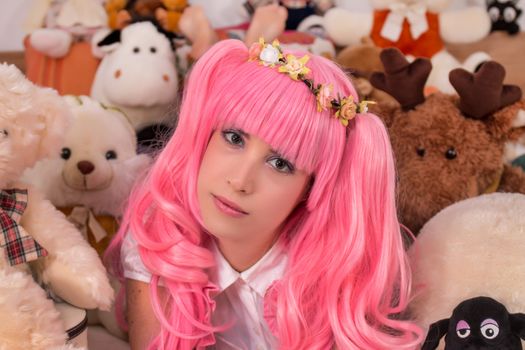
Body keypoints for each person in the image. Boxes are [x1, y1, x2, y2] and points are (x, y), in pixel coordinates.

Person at [106, 38, 423, 349]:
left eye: (280, 163)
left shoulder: (338, 275)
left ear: (310, 188)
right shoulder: (160, 232)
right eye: (233, 137)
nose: (241, 181)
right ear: (205, 134)